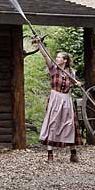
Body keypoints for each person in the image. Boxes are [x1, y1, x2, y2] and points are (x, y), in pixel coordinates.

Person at [32, 35, 81, 163]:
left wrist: (77, 83)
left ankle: (73, 154)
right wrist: (40, 45)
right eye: (57, 57)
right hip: (55, 98)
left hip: (66, 99)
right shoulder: (53, 69)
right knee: (52, 123)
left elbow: (73, 83)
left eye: (59, 57)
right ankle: (50, 154)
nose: (57, 58)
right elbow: (46, 57)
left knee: (69, 125)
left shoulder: (72, 72)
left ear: (65, 60)